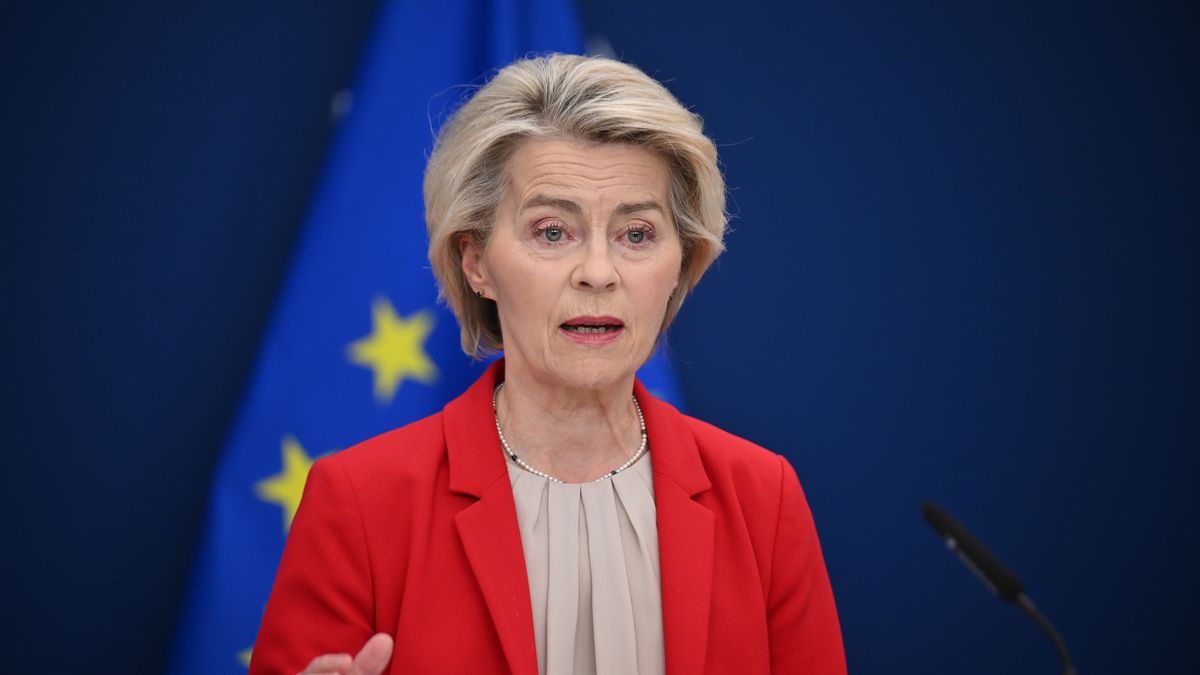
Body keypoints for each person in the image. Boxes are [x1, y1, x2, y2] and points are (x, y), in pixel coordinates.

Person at [249, 53, 845, 675]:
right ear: (476, 261)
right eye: (552, 232)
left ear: (682, 263)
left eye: (636, 234)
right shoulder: (361, 504)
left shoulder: (761, 498)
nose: (597, 272)